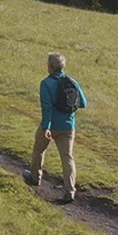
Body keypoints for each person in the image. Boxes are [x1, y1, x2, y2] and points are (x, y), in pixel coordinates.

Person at [22, 52, 87, 203]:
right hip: (68, 127)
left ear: (50, 66)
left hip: (51, 126)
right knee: (67, 157)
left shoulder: (46, 83)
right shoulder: (73, 82)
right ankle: (70, 191)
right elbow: (83, 103)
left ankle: (35, 177)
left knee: (39, 149)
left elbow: (47, 108)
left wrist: (46, 127)